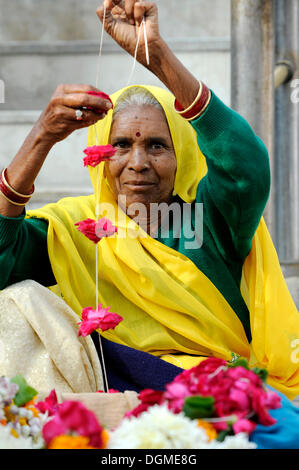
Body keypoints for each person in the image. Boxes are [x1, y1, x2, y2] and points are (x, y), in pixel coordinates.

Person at [0, 0, 299, 448]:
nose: (137, 163)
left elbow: (246, 166)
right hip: (107, 378)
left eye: (157, 146)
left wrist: (156, 56)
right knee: (18, 302)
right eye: (121, 145)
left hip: (204, 389)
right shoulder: (75, 227)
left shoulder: (212, 217)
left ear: (183, 156)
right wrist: (41, 136)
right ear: (100, 156)